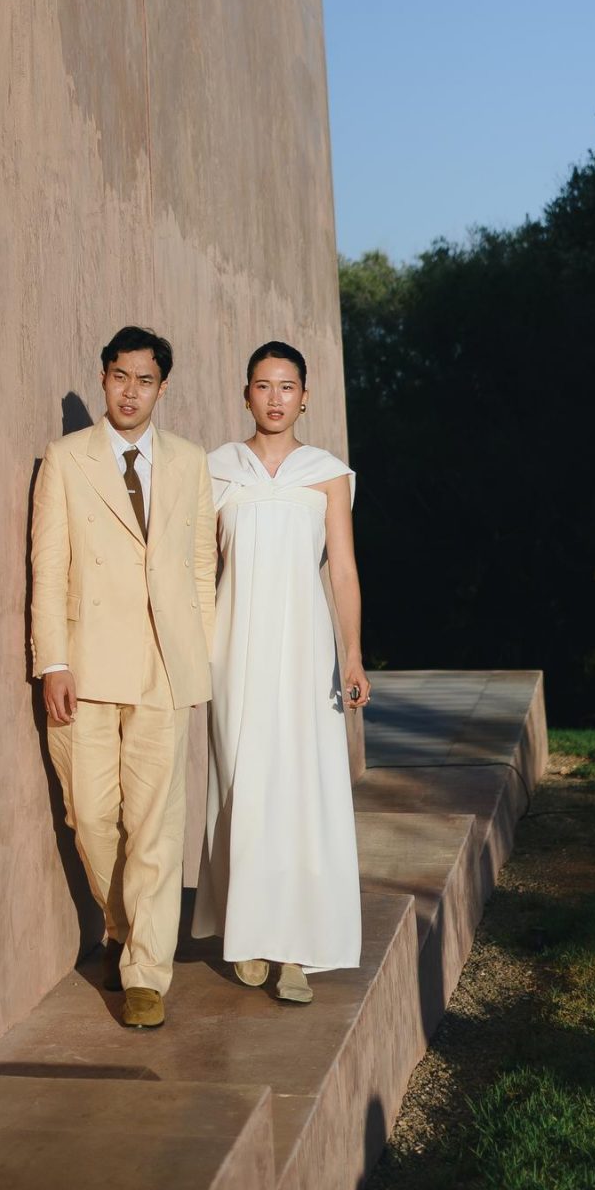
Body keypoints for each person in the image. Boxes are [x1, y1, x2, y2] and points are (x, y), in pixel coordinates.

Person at [31, 325, 216, 1031]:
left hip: (163, 669)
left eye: (143, 380)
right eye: (118, 377)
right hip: (85, 666)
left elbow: (201, 562)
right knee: (90, 818)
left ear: (160, 388)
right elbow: (47, 569)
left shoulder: (188, 461)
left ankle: (144, 972)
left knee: (157, 828)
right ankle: (120, 923)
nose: (129, 391)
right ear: (104, 379)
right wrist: (52, 660)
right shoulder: (66, 458)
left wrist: (195, 647)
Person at [192, 339, 367, 1004]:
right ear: (245, 393)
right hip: (230, 651)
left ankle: (296, 950)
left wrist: (350, 654)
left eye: (286, 386)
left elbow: (342, 570)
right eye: (262, 385)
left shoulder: (326, 473)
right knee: (242, 782)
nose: (274, 397)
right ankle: (252, 933)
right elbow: (198, 569)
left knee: (299, 787)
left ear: (304, 395)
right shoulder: (215, 471)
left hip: (304, 653)